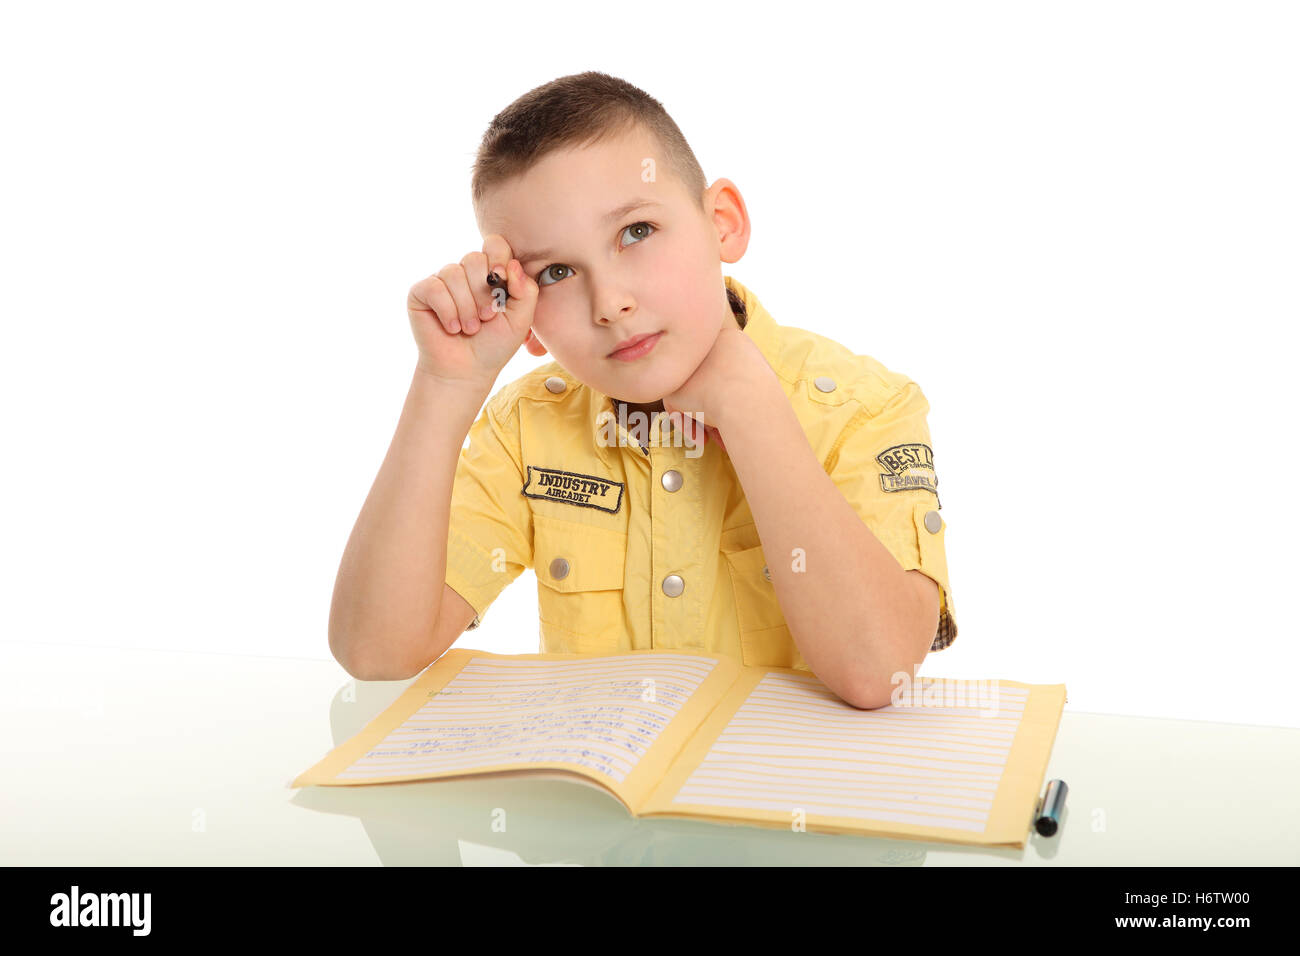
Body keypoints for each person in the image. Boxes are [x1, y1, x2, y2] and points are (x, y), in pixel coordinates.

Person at [328, 72, 956, 709]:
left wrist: (750, 407)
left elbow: (880, 672)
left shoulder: (865, 408)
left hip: (784, 800)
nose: (611, 303)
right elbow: (377, 650)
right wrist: (445, 384)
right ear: (526, 316)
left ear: (723, 224)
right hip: (602, 808)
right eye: (557, 272)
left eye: (636, 232)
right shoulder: (528, 427)